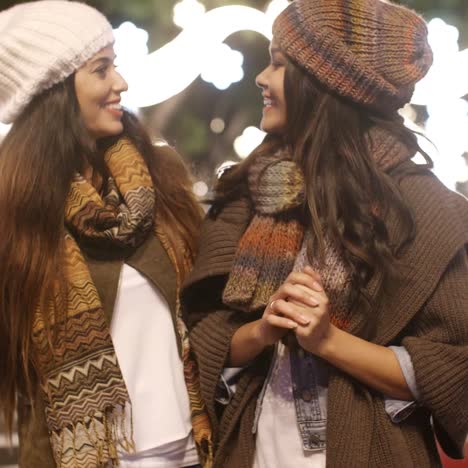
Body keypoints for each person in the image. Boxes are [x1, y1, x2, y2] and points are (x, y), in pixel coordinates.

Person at [181, 0, 468, 467]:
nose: (261, 78)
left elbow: (454, 366)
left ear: (325, 86)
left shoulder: (424, 208)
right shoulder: (247, 193)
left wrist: (329, 342)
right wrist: (261, 329)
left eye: (278, 64)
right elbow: (207, 333)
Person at [0, 2, 212, 467]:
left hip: (193, 448)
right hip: (85, 456)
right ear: (53, 91)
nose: (121, 83)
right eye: (101, 69)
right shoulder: (16, 209)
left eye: (114, 65)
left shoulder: (160, 176)